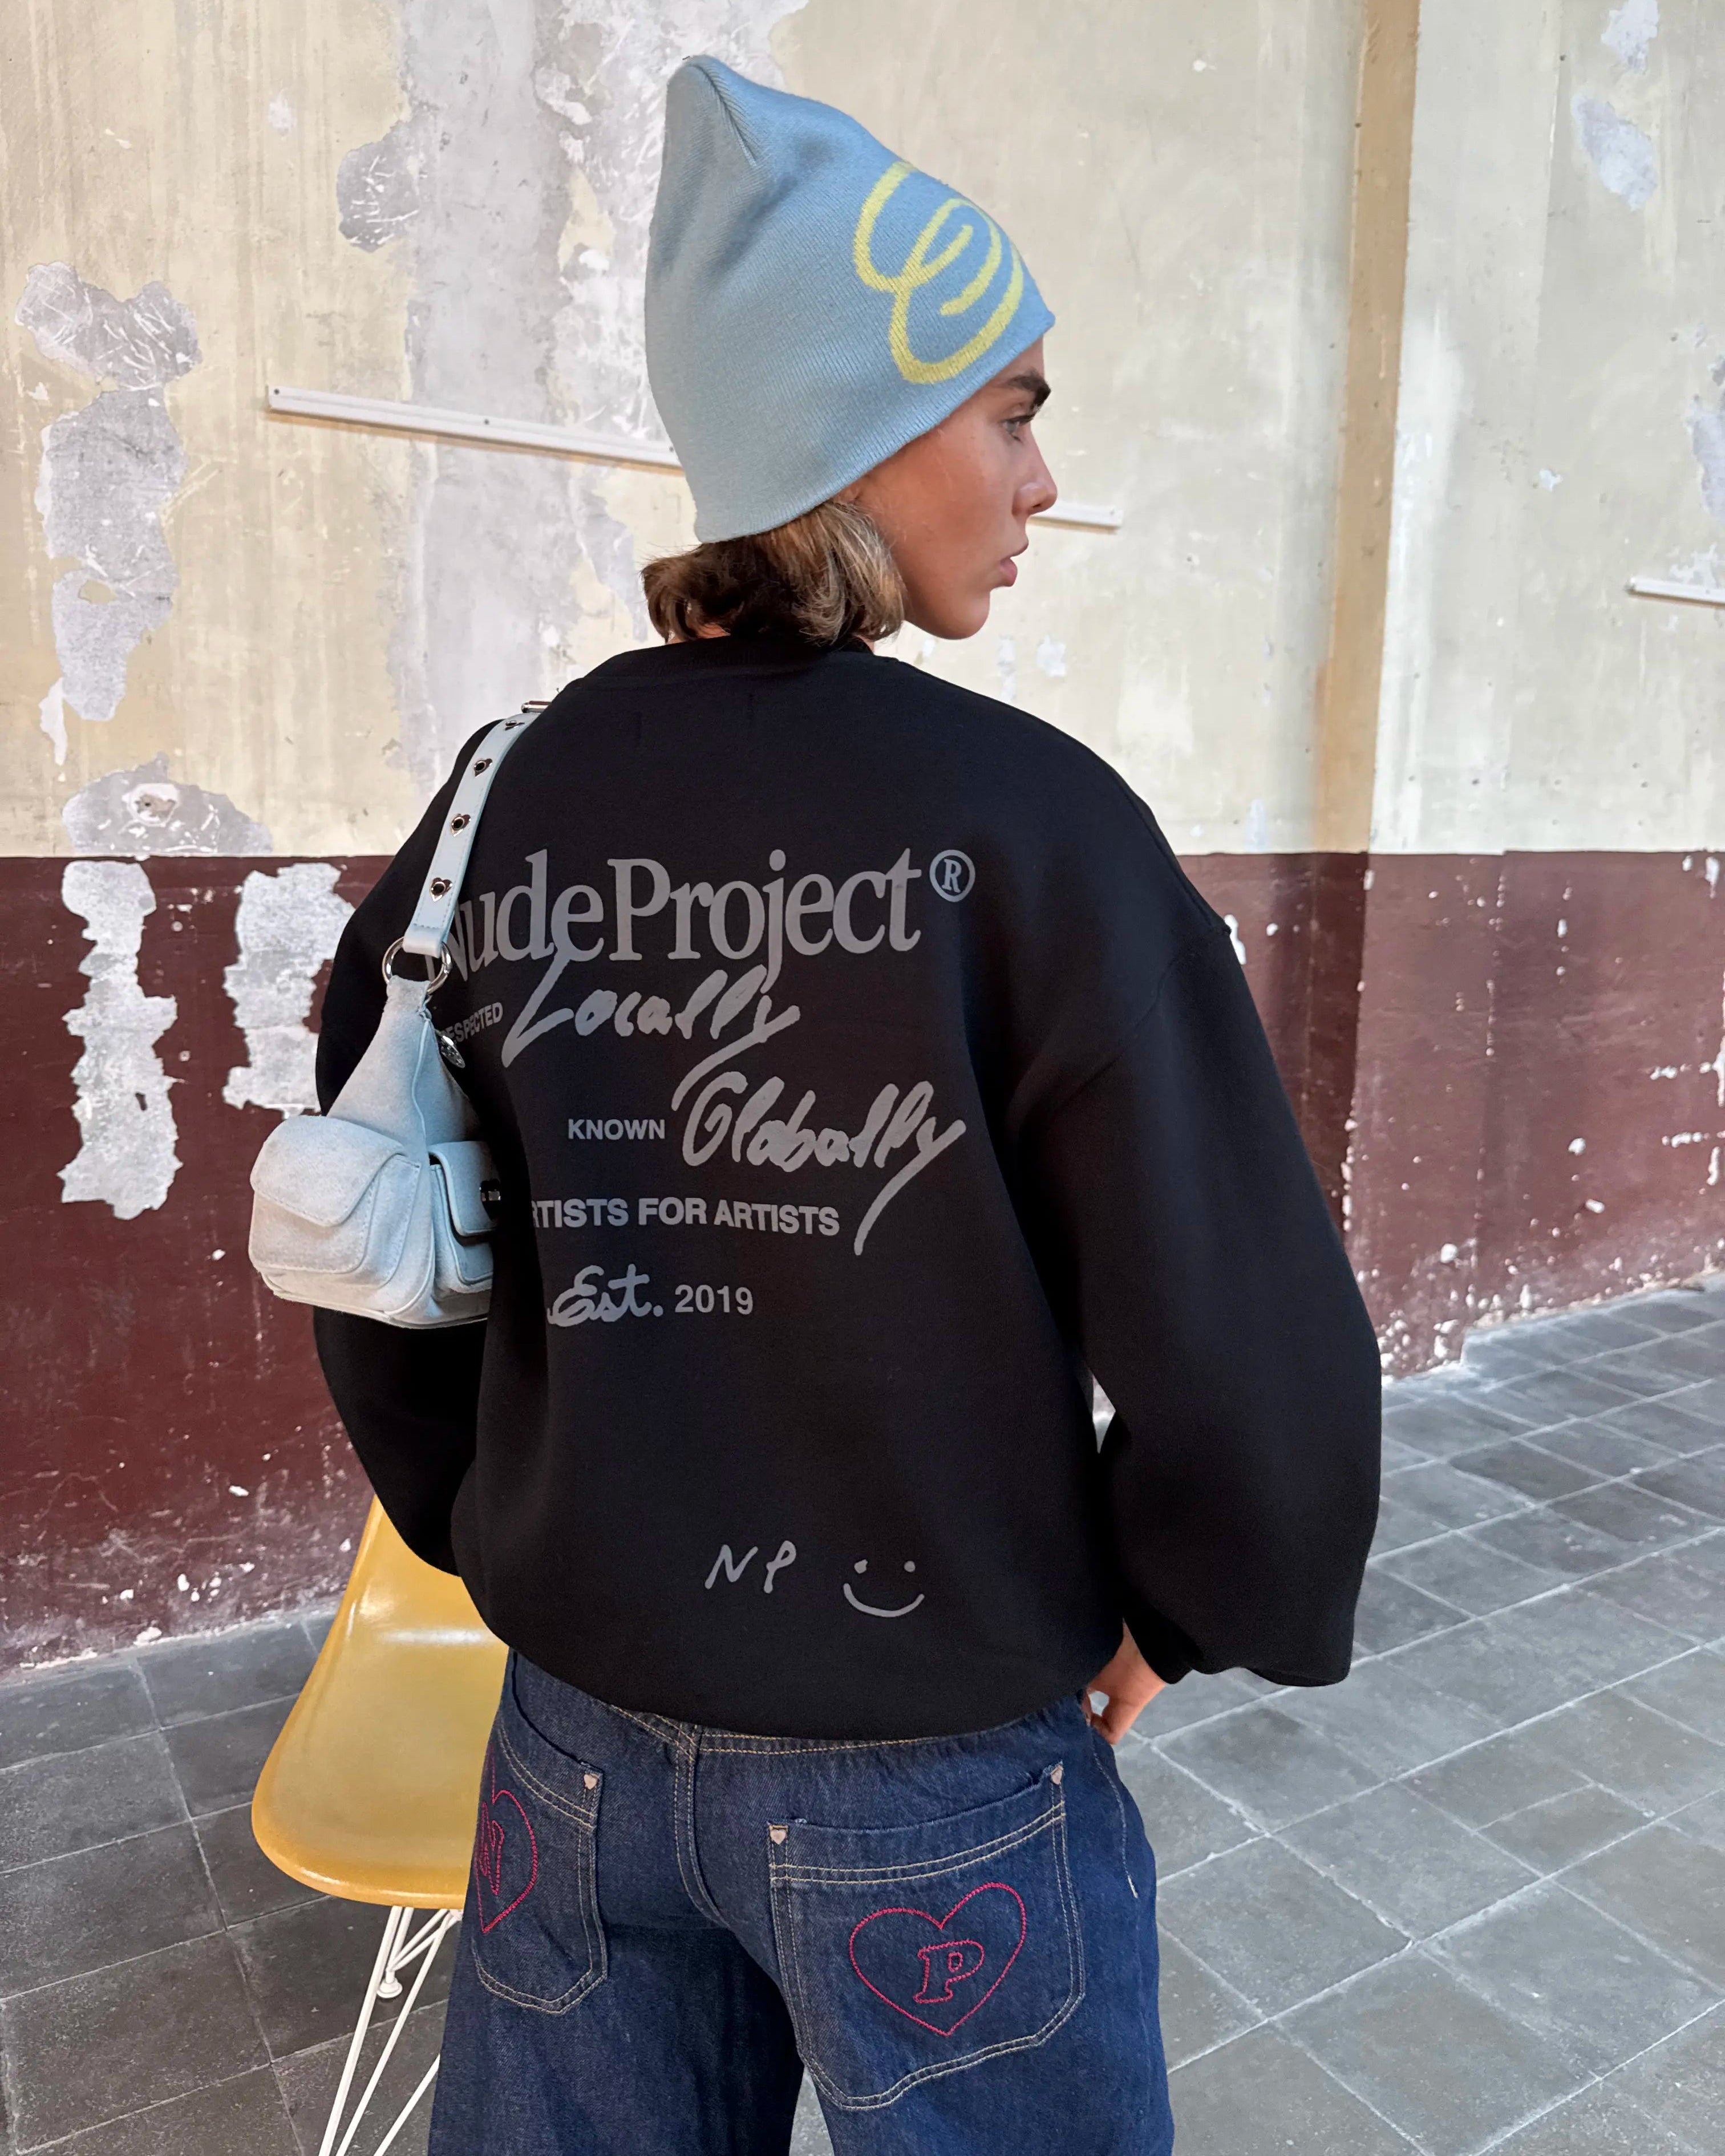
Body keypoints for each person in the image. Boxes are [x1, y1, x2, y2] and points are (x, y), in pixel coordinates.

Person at [312, 56, 1380, 2156]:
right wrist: (1188, 1594)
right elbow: (1254, 1336)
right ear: (861, 429)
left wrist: (489, 1520)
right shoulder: (1041, 829)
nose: (1043, 478)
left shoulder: (500, 804)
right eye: (1015, 411)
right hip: (936, 1767)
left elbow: (375, 1235)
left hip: (570, 1751)